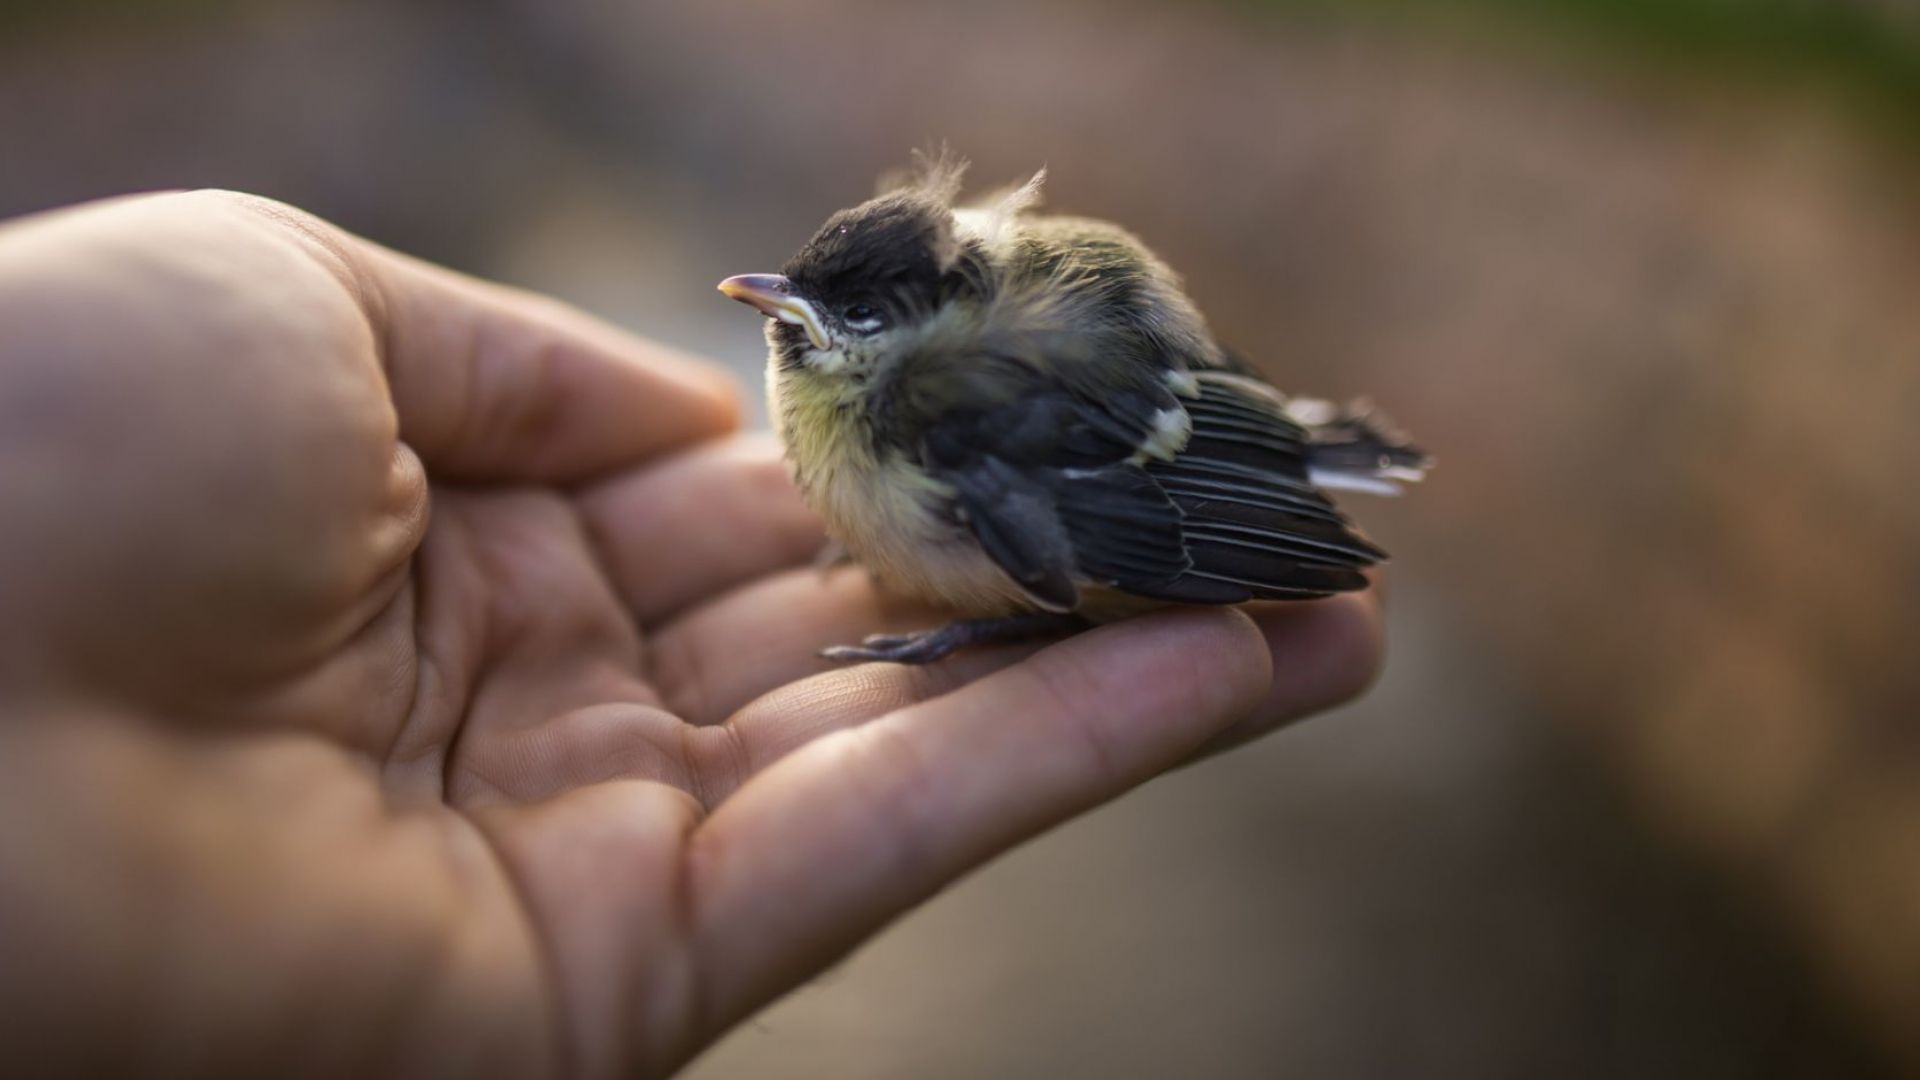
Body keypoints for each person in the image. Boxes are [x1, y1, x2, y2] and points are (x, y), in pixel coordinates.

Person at [0, 191, 1384, 1078]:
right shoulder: (909, 372)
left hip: (1202, 437)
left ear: (921, 317)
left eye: (829, 316)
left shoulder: (944, 404)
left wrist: (1288, 489)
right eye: (796, 298)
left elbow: (1160, 489)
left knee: (1058, 597)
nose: (788, 320)